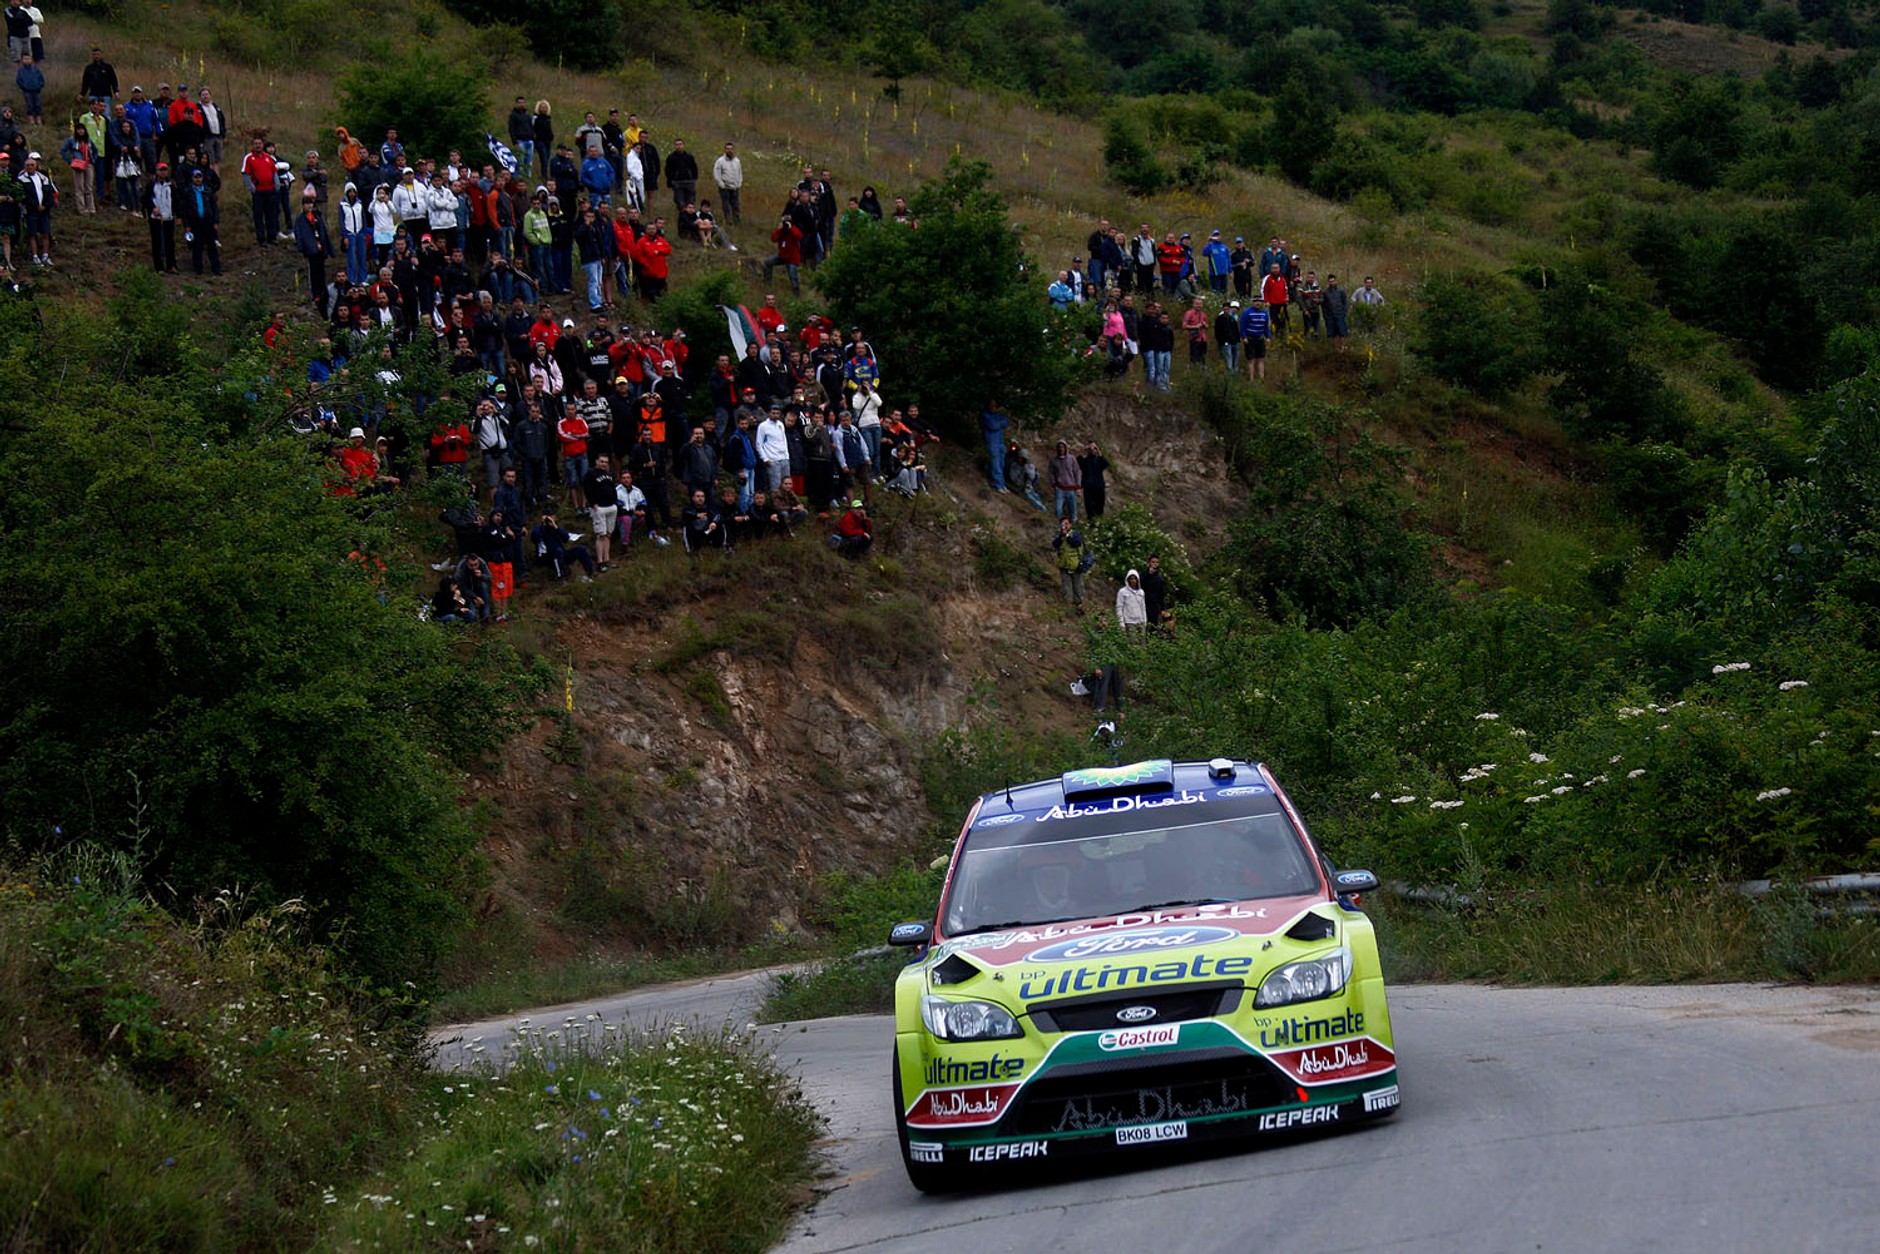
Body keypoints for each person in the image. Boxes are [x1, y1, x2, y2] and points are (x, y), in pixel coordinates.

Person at [292, 187, 332, 309]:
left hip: (320, 248)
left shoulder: (317, 217)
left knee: (322, 272)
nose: (309, 206)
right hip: (311, 250)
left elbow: (323, 232)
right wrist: (303, 247)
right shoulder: (300, 220)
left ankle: (323, 292)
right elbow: (300, 235)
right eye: (307, 204)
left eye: (310, 204)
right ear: (303, 206)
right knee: (313, 273)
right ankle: (315, 294)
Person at [179, 164, 219, 274]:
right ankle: (198, 269)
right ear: (192, 178)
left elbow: (214, 207)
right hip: (194, 222)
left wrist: (216, 221)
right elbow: (184, 210)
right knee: (197, 246)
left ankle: (216, 268)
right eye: (195, 177)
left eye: (199, 177)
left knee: (212, 245)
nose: (198, 179)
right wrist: (186, 225)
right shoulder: (188, 192)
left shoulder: (208, 191)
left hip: (208, 220)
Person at [580, 454, 618, 571]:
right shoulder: (591, 474)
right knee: (600, 535)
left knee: (608, 535)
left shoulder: (608, 474)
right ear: (596, 461)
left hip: (611, 507)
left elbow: (613, 488)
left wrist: (615, 502)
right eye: (601, 461)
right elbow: (587, 489)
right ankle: (600, 562)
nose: (604, 464)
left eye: (606, 462)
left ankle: (607, 560)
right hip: (599, 507)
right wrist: (593, 504)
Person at [533, 510, 594, 579]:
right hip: (547, 556)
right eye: (549, 517)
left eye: (552, 517)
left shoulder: (556, 528)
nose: (551, 519)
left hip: (561, 554)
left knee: (580, 549)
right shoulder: (538, 528)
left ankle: (590, 574)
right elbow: (535, 539)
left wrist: (556, 527)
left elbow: (566, 538)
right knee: (558, 552)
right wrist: (543, 525)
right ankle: (561, 577)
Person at [241, 136, 279, 245]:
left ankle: (272, 236)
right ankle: (261, 238)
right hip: (258, 191)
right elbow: (245, 173)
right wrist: (252, 188)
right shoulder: (249, 158)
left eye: (260, 143)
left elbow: (274, 171)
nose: (258, 145)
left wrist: (276, 184)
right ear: (253, 145)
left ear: (263, 145)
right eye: (256, 143)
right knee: (258, 215)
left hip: (270, 190)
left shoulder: (268, 157)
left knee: (271, 214)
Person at [142, 161, 177, 272]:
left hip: (168, 217)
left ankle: (171, 265)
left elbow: (176, 201)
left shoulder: (171, 185)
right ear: (157, 171)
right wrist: (153, 208)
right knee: (156, 242)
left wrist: (178, 214)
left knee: (170, 242)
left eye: (165, 170)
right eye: (161, 170)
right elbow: (145, 199)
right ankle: (159, 267)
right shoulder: (151, 185)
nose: (163, 172)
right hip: (155, 217)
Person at [1052, 516, 1091, 608]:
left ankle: (1079, 603)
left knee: (1077, 585)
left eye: (1066, 524)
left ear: (1070, 524)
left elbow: (1076, 543)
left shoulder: (1076, 534)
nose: (1065, 526)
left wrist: (1067, 535)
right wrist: (1061, 536)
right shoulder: (1060, 536)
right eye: (1063, 524)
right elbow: (1055, 544)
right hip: (1064, 564)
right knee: (1066, 585)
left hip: (1076, 564)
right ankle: (1067, 603)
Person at [764, 214, 803, 295]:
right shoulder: (781, 232)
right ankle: (767, 284)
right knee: (768, 262)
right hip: (782, 256)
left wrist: (791, 228)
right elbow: (773, 238)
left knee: (793, 277)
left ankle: (796, 294)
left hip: (792, 258)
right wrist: (779, 229)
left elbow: (799, 236)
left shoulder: (794, 230)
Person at [980, 399, 1010, 492]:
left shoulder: (997, 415)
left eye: (995, 406)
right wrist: (999, 424)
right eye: (992, 405)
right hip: (991, 442)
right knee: (995, 463)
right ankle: (997, 484)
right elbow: (993, 426)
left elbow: (1006, 422)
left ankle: (1002, 483)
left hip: (1000, 442)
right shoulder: (985, 416)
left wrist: (999, 423)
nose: (994, 408)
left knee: (1002, 463)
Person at [1049, 438, 1082, 520]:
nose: (1061, 449)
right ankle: (1062, 526)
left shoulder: (1072, 458)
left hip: (1071, 488)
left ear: (1066, 448)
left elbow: (1077, 472)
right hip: (1060, 488)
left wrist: (1078, 486)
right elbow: (1051, 473)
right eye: (1059, 447)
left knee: (1073, 510)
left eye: (1062, 447)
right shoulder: (1053, 460)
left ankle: (1073, 528)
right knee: (1058, 509)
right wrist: (1054, 484)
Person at [1240, 298, 1272, 383]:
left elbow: (1266, 327)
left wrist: (1268, 337)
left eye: (1259, 302)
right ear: (1253, 303)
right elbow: (1243, 326)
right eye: (1256, 302)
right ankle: (1252, 379)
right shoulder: (1247, 312)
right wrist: (1244, 337)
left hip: (1260, 339)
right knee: (1251, 359)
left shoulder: (1264, 313)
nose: (1257, 303)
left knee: (1261, 359)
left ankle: (1262, 378)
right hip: (1250, 339)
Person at [1078, 441, 1110, 520]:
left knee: (1099, 507)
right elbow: (1078, 463)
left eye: (1094, 449)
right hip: (1088, 487)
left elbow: (1106, 464)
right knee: (1089, 508)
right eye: (1090, 449)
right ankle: (1091, 524)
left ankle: (1099, 524)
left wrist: (1099, 452)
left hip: (1099, 487)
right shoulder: (1085, 460)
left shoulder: (1099, 460)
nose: (1092, 450)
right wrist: (1083, 451)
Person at [713, 141, 742, 224]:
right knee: (726, 205)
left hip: (735, 187)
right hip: (725, 187)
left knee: (735, 204)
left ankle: (737, 220)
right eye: (728, 149)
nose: (729, 150)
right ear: (725, 150)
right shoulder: (720, 161)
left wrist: (739, 183)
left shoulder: (737, 161)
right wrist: (721, 184)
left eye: (731, 149)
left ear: (733, 150)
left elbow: (740, 172)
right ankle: (728, 220)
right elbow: (716, 173)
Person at [1321, 273, 1351, 349]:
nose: (1332, 283)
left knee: (1342, 332)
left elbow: (1345, 302)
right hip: (1330, 315)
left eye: (1333, 281)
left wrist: (1344, 312)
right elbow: (1324, 305)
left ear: (1336, 281)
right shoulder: (1325, 292)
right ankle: (1336, 348)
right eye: (1330, 281)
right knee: (1333, 333)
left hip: (1340, 314)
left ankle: (1343, 346)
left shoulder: (1341, 291)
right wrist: (1326, 315)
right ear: (1328, 282)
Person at [1215, 299, 1242, 374]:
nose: (1227, 310)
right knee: (1229, 360)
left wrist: (1237, 340)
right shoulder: (1219, 319)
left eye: (1228, 309)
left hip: (1234, 342)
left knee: (1235, 360)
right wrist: (1222, 341)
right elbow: (1218, 332)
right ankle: (1230, 376)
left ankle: (1235, 375)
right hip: (1226, 343)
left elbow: (1236, 330)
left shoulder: (1233, 319)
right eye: (1225, 309)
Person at [1141, 554, 1168, 630]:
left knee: (1153, 625)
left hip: (1154, 605)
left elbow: (1161, 594)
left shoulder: (1159, 578)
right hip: (1143, 603)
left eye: (1156, 562)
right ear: (1149, 563)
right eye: (1153, 562)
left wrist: (1163, 608)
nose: (1155, 564)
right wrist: (1148, 574)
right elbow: (1140, 585)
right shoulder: (1144, 574)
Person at [14, 54, 41, 126]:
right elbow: (18, 80)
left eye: (28, 58)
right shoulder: (21, 70)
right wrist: (24, 87)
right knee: (29, 105)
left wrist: (40, 85)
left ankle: (38, 120)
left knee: (38, 105)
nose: (27, 60)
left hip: (36, 90)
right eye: (25, 59)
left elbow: (41, 78)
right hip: (27, 91)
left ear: (31, 59)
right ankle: (31, 121)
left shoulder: (35, 69)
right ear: (22, 60)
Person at [1183, 296, 1209, 368]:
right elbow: (1184, 326)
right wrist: (1195, 326)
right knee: (1194, 357)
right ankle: (1194, 370)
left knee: (1203, 357)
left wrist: (1205, 325)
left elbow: (1207, 325)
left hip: (1203, 338)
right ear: (1193, 304)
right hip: (1194, 338)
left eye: (1200, 304)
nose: (1199, 305)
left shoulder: (1203, 314)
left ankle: (1202, 371)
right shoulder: (1189, 313)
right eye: (1197, 304)